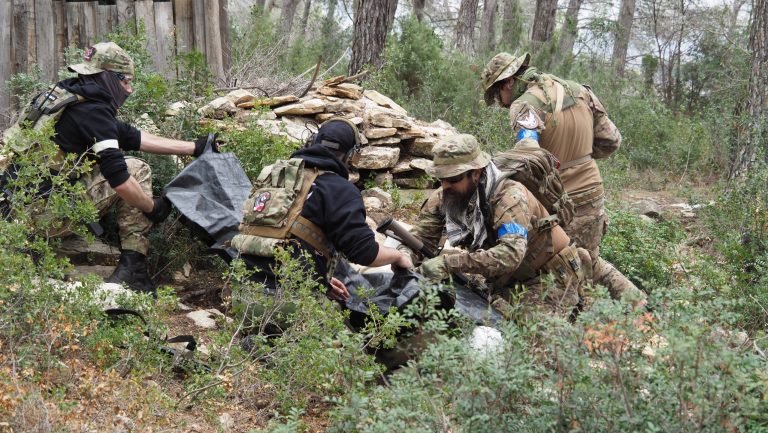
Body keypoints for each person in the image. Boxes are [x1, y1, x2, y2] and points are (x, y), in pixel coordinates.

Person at [6, 42, 215, 294]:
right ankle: (133, 270)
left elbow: (128, 135)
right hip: (38, 219)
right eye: (126, 81)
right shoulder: (93, 110)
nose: (130, 88)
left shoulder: (65, 96)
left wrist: (193, 147)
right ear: (108, 77)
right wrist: (154, 207)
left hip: (12, 213)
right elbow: (120, 181)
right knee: (136, 169)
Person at [481, 52, 644, 302]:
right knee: (591, 260)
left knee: (569, 265)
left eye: (496, 94)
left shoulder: (524, 105)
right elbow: (612, 140)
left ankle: (585, 330)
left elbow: (529, 152)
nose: (500, 103)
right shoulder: (580, 91)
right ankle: (639, 305)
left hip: (562, 201)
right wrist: (580, 158)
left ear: (508, 82)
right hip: (593, 189)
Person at [233, 118, 413, 328]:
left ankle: (258, 341)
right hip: (288, 307)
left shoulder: (274, 176)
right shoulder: (339, 189)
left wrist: (320, 283)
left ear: (313, 141)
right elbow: (364, 252)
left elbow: (279, 239)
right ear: (351, 156)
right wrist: (399, 256)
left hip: (241, 298)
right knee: (359, 352)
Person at [404, 133, 589, 318]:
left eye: (453, 179)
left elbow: (510, 254)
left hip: (549, 277)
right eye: (440, 178)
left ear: (476, 173)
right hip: (505, 279)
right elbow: (421, 238)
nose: (445, 186)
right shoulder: (445, 196)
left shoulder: (509, 197)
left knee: (521, 339)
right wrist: (404, 256)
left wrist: (449, 263)